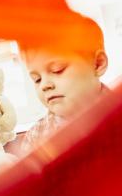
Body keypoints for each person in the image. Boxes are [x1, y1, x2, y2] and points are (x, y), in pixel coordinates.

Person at [19, 15, 109, 153]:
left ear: (98, 64)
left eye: (57, 70)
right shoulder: (35, 137)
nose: (44, 85)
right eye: (37, 79)